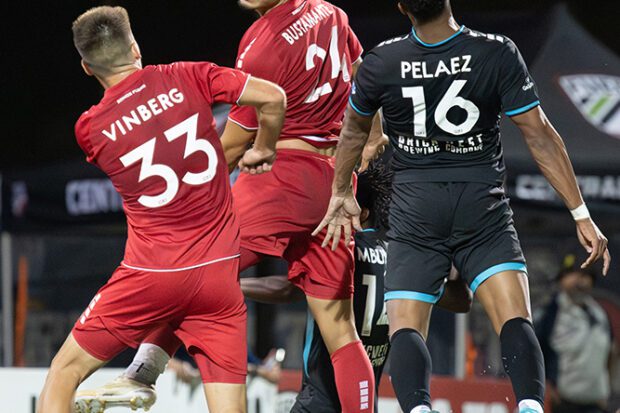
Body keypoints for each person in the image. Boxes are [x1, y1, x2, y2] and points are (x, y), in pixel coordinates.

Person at [75, 1, 387, 412]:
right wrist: (373, 133)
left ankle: (143, 370)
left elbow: (239, 140)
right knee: (341, 331)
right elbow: (363, 71)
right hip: (331, 183)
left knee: (194, 265)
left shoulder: (261, 44)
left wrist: (192, 185)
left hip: (281, 177)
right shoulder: (330, 11)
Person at [314, 1, 612, 413]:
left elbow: (352, 134)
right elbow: (540, 135)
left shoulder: (382, 60)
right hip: (481, 204)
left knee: (406, 325)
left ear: (402, 7)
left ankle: (418, 408)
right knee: (513, 316)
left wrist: (341, 193)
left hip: (416, 208)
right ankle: (528, 404)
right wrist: (581, 214)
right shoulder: (496, 51)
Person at [39, 6, 286, 413]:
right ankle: (143, 371)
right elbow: (273, 97)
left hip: (150, 278)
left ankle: (142, 371)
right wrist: (265, 147)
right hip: (218, 276)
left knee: (63, 374)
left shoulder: (90, 129)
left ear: (86, 68)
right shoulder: (187, 75)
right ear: (136, 47)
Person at [241, 159, 472, 412]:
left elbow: (289, 289)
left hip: (321, 400)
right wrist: (452, 254)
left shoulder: (339, 253)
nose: (330, 210)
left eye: (339, 203)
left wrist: (236, 284)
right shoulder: (399, 261)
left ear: (362, 213)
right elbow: (461, 301)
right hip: (363, 399)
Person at [536, 257, 616, 413]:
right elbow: (534, 351)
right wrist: (545, 385)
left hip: (595, 402)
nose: (580, 280)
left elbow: (611, 352)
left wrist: (608, 388)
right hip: (562, 401)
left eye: (586, 275)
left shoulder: (599, 314)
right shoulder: (550, 313)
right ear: (561, 279)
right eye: (573, 274)